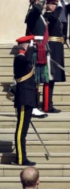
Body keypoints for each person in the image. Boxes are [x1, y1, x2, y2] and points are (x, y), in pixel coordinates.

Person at [13, 36, 38, 166]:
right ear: (24, 46)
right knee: (21, 131)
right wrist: (32, 47)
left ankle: (22, 157)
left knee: (24, 130)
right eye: (28, 44)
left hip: (28, 99)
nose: (30, 46)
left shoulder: (24, 58)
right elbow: (27, 58)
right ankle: (21, 158)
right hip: (23, 98)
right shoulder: (19, 58)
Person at [24, 0, 49, 119]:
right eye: (43, 1)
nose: (45, 4)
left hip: (41, 48)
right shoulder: (33, 13)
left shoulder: (40, 16)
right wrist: (39, 3)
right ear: (37, 2)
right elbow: (37, 10)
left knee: (38, 82)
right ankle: (33, 107)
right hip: (35, 49)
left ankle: (35, 107)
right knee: (34, 81)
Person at [43, 0, 66, 113]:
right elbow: (54, 16)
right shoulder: (48, 15)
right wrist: (59, 8)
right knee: (49, 77)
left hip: (57, 47)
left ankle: (49, 103)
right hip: (52, 48)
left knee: (53, 78)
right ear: (49, 5)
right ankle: (47, 105)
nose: (56, 7)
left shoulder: (52, 15)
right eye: (54, 4)